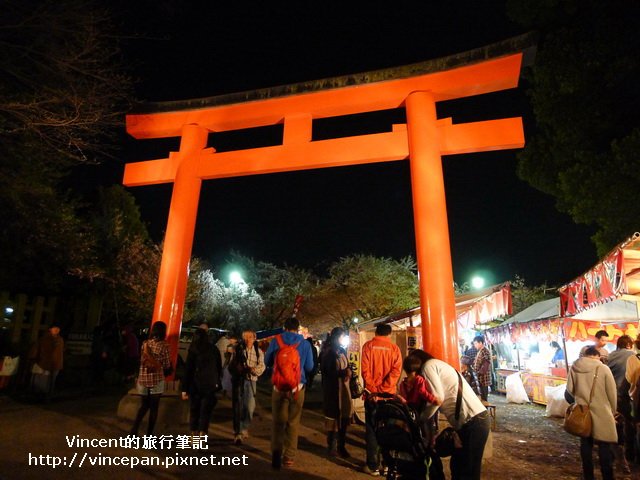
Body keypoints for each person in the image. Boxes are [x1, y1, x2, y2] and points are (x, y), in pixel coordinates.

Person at [418, 349, 490, 480]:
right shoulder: (437, 365)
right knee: (458, 466)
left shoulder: (428, 366)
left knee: (466, 471)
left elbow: (437, 398)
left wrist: (421, 419)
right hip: (473, 421)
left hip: (474, 422)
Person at [265, 317, 314, 469]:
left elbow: (267, 361)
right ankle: (289, 457)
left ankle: (276, 454)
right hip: (297, 388)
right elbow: (310, 367)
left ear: (284, 327)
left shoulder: (276, 341)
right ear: (298, 328)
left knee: (277, 422)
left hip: (278, 388)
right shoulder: (305, 344)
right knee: (293, 422)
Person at [565, 346, 617, 480]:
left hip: (583, 411)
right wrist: (613, 410)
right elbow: (612, 392)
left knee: (585, 444)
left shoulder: (574, 367)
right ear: (597, 356)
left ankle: (588, 475)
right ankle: (607, 476)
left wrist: (580, 398)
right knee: (604, 445)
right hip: (602, 412)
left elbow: (570, 389)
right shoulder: (603, 368)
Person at [361, 323, 402, 476]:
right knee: (389, 430)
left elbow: (365, 371)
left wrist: (374, 389)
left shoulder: (368, 346)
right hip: (389, 397)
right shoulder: (394, 349)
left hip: (371, 396)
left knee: (372, 430)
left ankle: (373, 466)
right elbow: (396, 371)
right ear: (389, 334)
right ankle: (388, 465)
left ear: (376, 332)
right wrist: (385, 388)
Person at [130, 321, 172, 436]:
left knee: (144, 405)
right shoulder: (165, 345)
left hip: (143, 379)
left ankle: (134, 430)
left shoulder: (145, 344)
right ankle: (149, 435)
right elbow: (167, 365)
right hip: (156, 380)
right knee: (154, 408)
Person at [181, 328, 222, 438]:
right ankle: (203, 433)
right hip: (210, 384)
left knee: (195, 409)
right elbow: (218, 368)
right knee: (206, 411)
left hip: (196, 384)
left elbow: (188, 369)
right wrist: (217, 382)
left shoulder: (193, 348)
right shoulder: (214, 349)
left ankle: (194, 433)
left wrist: (184, 388)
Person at [320, 327, 352, 458]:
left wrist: (349, 371)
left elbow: (347, 365)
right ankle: (332, 446)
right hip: (333, 390)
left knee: (344, 418)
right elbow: (328, 372)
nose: (343, 339)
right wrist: (344, 372)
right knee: (333, 419)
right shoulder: (328, 352)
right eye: (342, 336)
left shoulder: (342, 350)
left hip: (344, 389)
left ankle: (341, 446)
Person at [230, 329, 265, 445]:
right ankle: (238, 432)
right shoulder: (239, 350)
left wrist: (253, 370)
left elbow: (262, 366)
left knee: (250, 407)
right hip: (239, 380)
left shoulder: (258, 351)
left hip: (251, 380)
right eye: (245, 337)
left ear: (254, 338)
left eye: (250, 337)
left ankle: (244, 427)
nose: (248, 339)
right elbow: (231, 365)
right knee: (238, 406)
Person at [608, 335, 634, 473]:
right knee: (629, 424)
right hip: (626, 395)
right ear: (629, 344)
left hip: (612, 395)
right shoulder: (632, 356)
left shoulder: (610, 356)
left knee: (616, 424)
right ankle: (629, 455)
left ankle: (616, 452)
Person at [29, 323, 64, 401]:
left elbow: (60, 352)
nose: (57, 330)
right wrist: (34, 358)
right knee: (42, 380)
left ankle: (48, 396)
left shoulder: (60, 339)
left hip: (55, 364)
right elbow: (36, 349)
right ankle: (40, 396)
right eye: (55, 328)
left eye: (58, 328)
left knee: (51, 381)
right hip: (44, 363)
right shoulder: (44, 339)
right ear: (50, 329)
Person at [471, 335, 492, 403]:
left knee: (484, 396)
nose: (475, 345)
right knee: (481, 396)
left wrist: (479, 372)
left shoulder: (485, 351)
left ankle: (485, 410)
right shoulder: (480, 351)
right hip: (480, 377)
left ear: (480, 343)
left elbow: (486, 365)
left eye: (476, 343)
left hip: (484, 378)